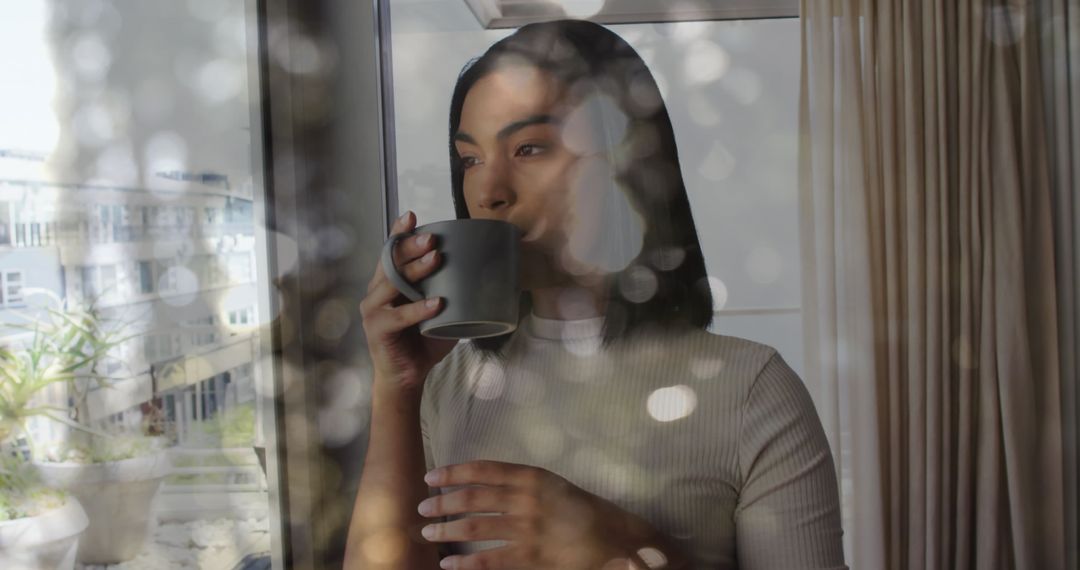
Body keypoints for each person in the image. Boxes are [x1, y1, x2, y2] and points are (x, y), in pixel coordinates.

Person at [345, 19, 846, 570]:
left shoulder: (752, 390)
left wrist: (625, 550)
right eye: (471, 159)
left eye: (529, 148)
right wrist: (397, 389)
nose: (488, 191)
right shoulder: (444, 391)